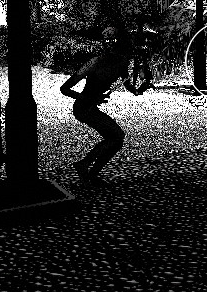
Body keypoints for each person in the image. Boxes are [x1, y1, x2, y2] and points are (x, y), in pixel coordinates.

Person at [59, 26, 150, 185]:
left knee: (116, 139)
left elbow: (126, 83)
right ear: (103, 43)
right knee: (117, 136)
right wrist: (91, 98)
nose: (110, 44)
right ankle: (84, 165)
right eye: (107, 41)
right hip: (83, 108)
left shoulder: (122, 62)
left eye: (113, 40)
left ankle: (90, 172)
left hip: (91, 107)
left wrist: (137, 90)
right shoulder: (94, 62)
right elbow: (64, 88)